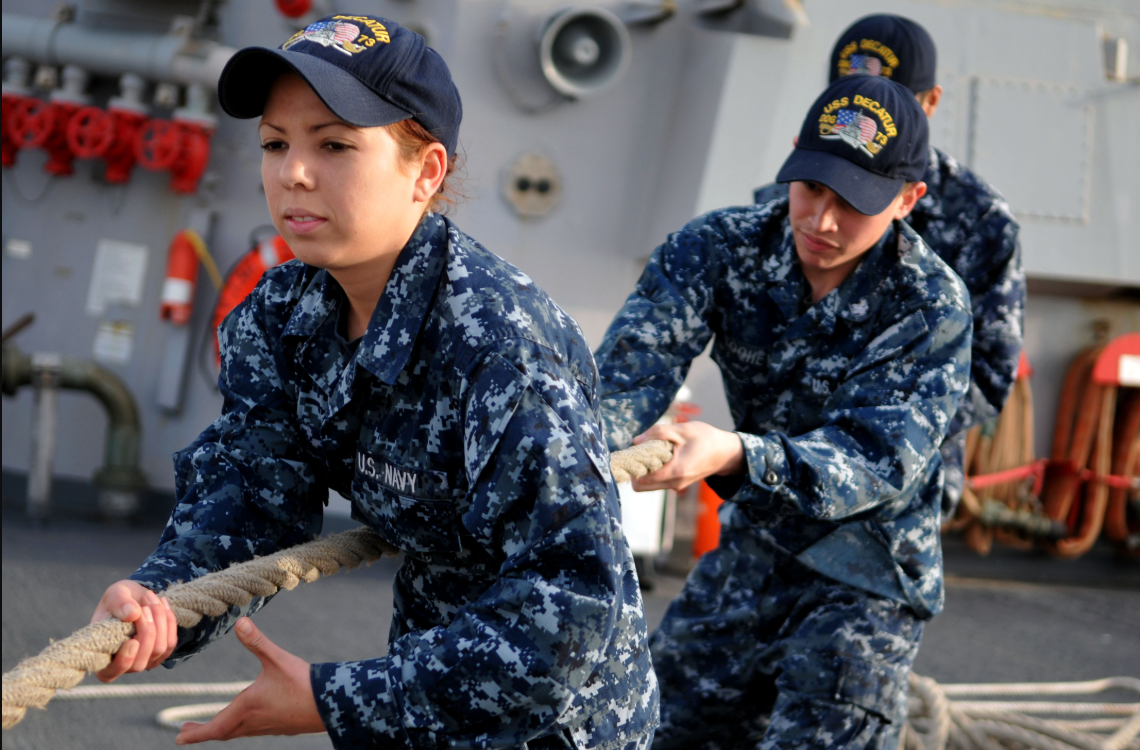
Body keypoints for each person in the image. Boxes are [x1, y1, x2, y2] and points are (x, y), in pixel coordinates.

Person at [87, 14, 657, 749]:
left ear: (426, 173)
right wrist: (161, 600)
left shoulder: (499, 345)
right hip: (423, 702)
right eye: (274, 143)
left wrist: (334, 698)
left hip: (559, 727)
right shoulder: (281, 312)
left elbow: (574, 611)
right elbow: (255, 490)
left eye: (334, 145)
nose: (294, 171)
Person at [594, 74, 972, 749]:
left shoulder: (930, 304)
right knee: (646, 729)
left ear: (908, 199)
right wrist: (586, 446)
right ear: (794, 156)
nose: (821, 221)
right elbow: (628, 372)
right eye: (812, 187)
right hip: (756, 545)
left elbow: (873, 459)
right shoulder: (719, 247)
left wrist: (733, 452)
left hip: (866, 573)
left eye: (853, 202)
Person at [755, 14, 1025, 519]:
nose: (874, 115)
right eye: (852, 94)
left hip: (896, 494)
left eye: (894, 98)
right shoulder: (782, 200)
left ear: (931, 102)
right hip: (771, 474)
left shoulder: (980, 221)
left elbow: (988, 373)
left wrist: (867, 418)